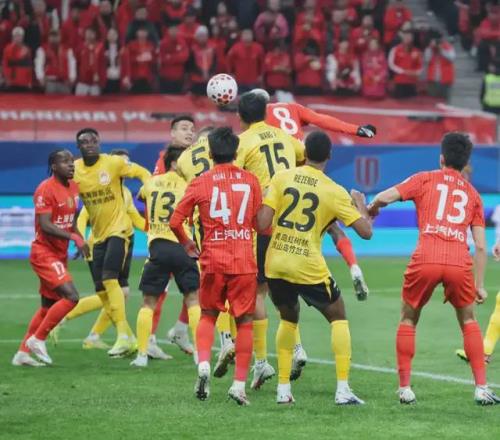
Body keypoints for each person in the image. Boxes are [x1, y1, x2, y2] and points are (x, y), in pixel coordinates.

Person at [368, 132, 500, 405]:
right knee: (469, 320)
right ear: (466, 164)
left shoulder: (424, 179)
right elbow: (480, 245)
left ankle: (405, 388)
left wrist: (372, 207)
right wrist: (479, 285)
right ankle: (481, 388)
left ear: (441, 158)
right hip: (458, 260)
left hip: (426, 256)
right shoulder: (473, 195)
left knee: (408, 318)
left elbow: (386, 195)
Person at [257, 130, 372, 404]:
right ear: (330, 155)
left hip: (276, 262)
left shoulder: (281, 177)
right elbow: (366, 232)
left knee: (288, 319)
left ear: (304, 152)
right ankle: (343, 390)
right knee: (338, 316)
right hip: (307, 264)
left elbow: (262, 224)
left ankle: (283, 390)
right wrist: (360, 204)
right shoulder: (334, 190)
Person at [170, 127, 263, 406]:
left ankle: (203, 366)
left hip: (212, 260)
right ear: (237, 152)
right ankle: (238, 386)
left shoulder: (201, 182)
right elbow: (258, 222)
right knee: (244, 322)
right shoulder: (251, 180)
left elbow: (175, 221)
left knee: (208, 315)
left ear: (210, 153)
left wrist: (187, 243)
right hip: (244, 260)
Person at [252, 88, 374, 299]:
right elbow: (322, 120)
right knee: (333, 227)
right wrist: (357, 130)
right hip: (310, 172)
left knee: (269, 235)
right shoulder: (291, 108)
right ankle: (353, 266)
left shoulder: (257, 123)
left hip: (284, 181)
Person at [235, 92, 307, 389]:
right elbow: (303, 154)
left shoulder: (242, 142)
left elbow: (234, 177)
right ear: (265, 113)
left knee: (257, 291)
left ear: (240, 117)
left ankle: (262, 362)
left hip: (264, 222)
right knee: (283, 290)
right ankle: (297, 347)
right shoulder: (284, 136)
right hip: (292, 221)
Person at [73, 128, 151, 357]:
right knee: (103, 292)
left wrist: (149, 190)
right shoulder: (75, 170)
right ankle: (121, 335)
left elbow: (143, 172)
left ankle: (122, 337)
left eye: (93, 140)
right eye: (84, 141)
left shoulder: (113, 164)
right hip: (96, 237)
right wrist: (78, 237)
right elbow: (80, 215)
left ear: (99, 142)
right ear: (78, 146)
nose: (89, 144)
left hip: (119, 231)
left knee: (111, 280)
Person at [12, 150, 88, 367]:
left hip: (59, 254)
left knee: (48, 306)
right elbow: (45, 225)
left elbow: (70, 220)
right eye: (65, 162)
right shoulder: (45, 189)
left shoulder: (74, 187)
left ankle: (22, 354)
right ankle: (38, 339)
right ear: (54, 166)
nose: (71, 165)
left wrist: (79, 238)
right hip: (43, 253)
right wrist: (73, 237)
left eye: (72, 161)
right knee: (71, 297)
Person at [130, 146, 201, 367]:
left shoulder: (151, 183)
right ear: (174, 163)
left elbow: (141, 197)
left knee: (148, 302)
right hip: (183, 245)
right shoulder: (190, 185)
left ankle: (142, 355)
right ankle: (200, 354)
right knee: (193, 299)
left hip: (158, 247)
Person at [175, 126, 237, 378]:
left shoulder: (183, 158)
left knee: (213, 291)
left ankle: (225, 341)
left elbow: (185, 195)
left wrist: (186, 241)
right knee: (237, 288)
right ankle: (235, 343)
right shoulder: (230, 152)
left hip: (205, 226)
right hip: (234, 224)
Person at [34, 29, 76, 94]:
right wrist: (40, 78)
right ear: (48, 37)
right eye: (52, 36)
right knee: (50, 100)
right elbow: (38, 64)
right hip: (50, 82)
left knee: (66, 100)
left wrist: (72, 77)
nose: (54, 38)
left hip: (65, 82)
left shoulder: (67, 49)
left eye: (56, 36)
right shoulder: (42, 49)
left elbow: (72, 64)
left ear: (60, 37)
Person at [388, 30, 423, 99]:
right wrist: (403, 71)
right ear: (403, 38)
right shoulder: (395, 49)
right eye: (406, 36)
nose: (407, 38)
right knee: (399, 99)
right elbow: (391, 64)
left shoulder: (417, 51)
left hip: (412, 80)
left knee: (412, 100)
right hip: (399, 80)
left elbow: (420, 66)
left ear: (412, 39)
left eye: (410, 37)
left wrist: (416, 72)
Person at [2, 26, 33, 91]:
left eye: (19, 36)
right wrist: (6, 78)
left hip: (24, 82)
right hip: (11, 82)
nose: (17, 37)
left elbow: (29, 67)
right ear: (12, 37)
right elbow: (5, 65)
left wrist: (29, 80)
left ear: (23, 37)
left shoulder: (27, 50)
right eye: (16, 36)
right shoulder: (7, 49)